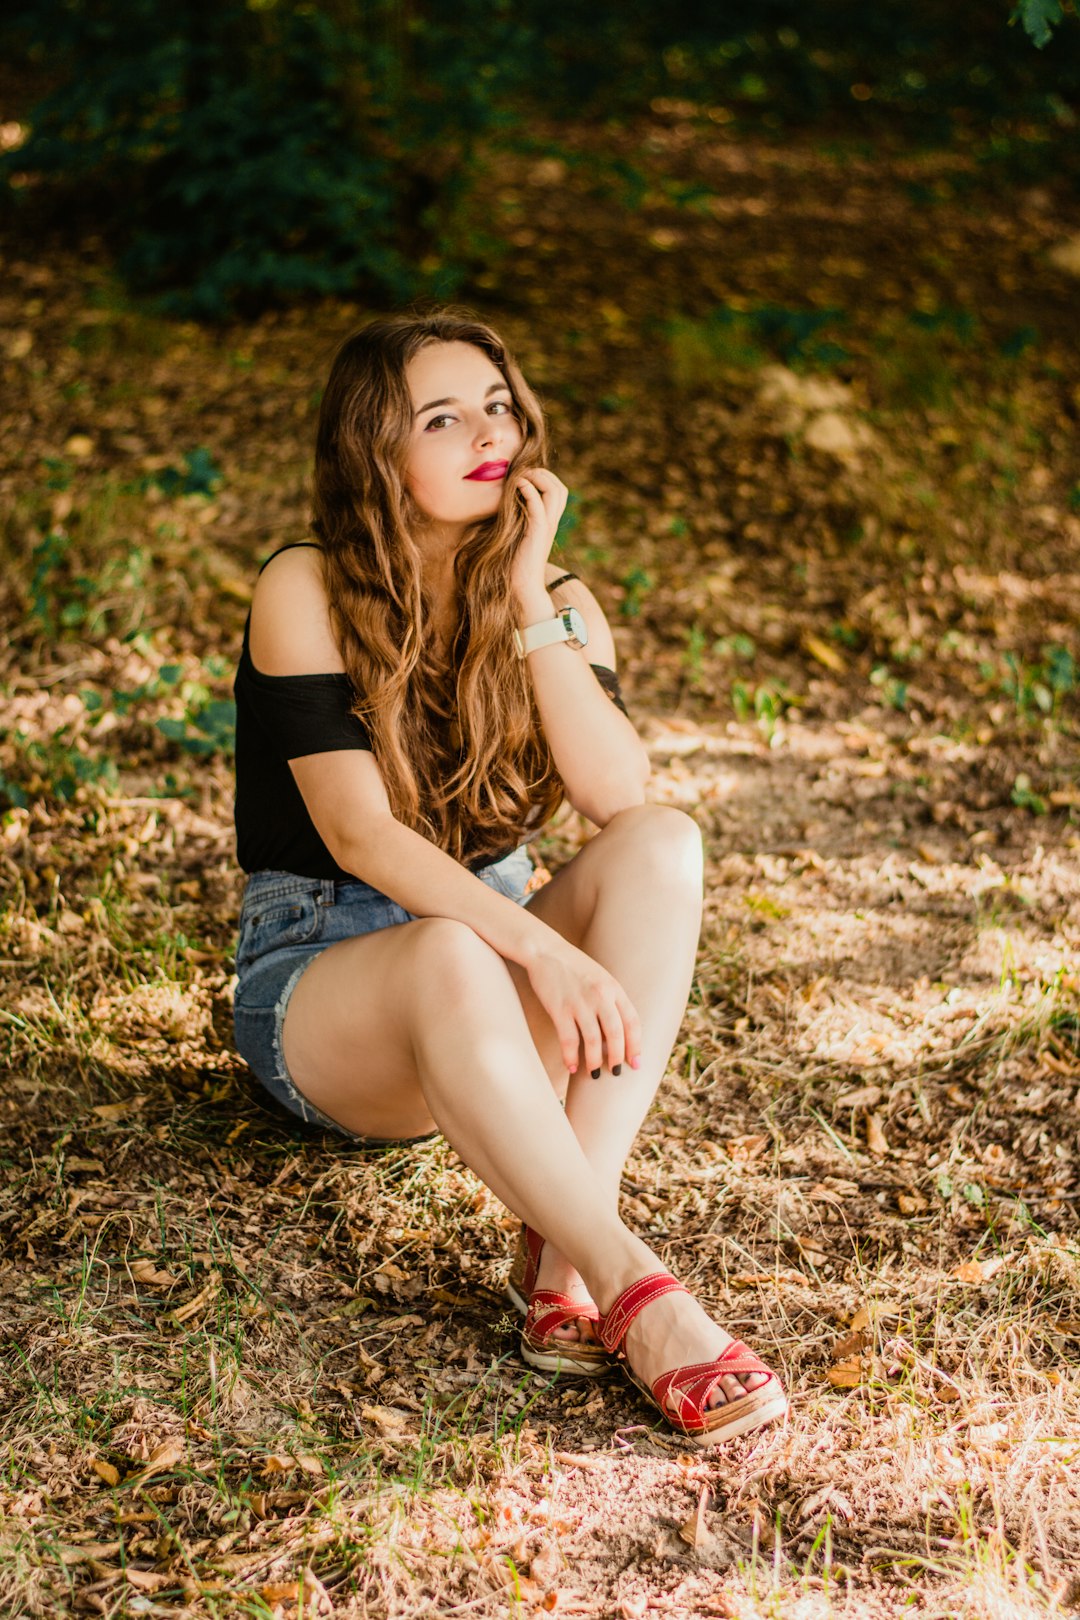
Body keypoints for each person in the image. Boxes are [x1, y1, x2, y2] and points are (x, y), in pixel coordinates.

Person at [230, 309, 787, 1446]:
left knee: (666, 842)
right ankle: (637, 1287)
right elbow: (359, 837)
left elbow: (619, 795)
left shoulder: (560, 597)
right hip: (330, 987)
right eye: (444, 417)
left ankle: (557, 1251)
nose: (490, 432)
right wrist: (541, 947)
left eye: (499, 405)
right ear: (374, 452)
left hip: (489, 980)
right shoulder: (306, 586)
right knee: (446, 946)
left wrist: (532, 599)